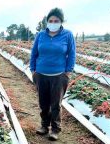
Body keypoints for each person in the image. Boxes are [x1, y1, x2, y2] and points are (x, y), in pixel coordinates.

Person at [30, 8, 76, 141]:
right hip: (41, 74)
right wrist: (33, 70)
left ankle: (55, 129)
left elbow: (72, 54)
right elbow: (34, 53)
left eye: (56, 20)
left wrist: (68, 71)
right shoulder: (40, 35)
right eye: (50, 20)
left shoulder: (67, 35)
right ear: (47, 22)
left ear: (61, 22)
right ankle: (44, 126)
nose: (53, 23)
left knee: (56, 104)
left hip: (59, 75)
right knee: (43, 102)